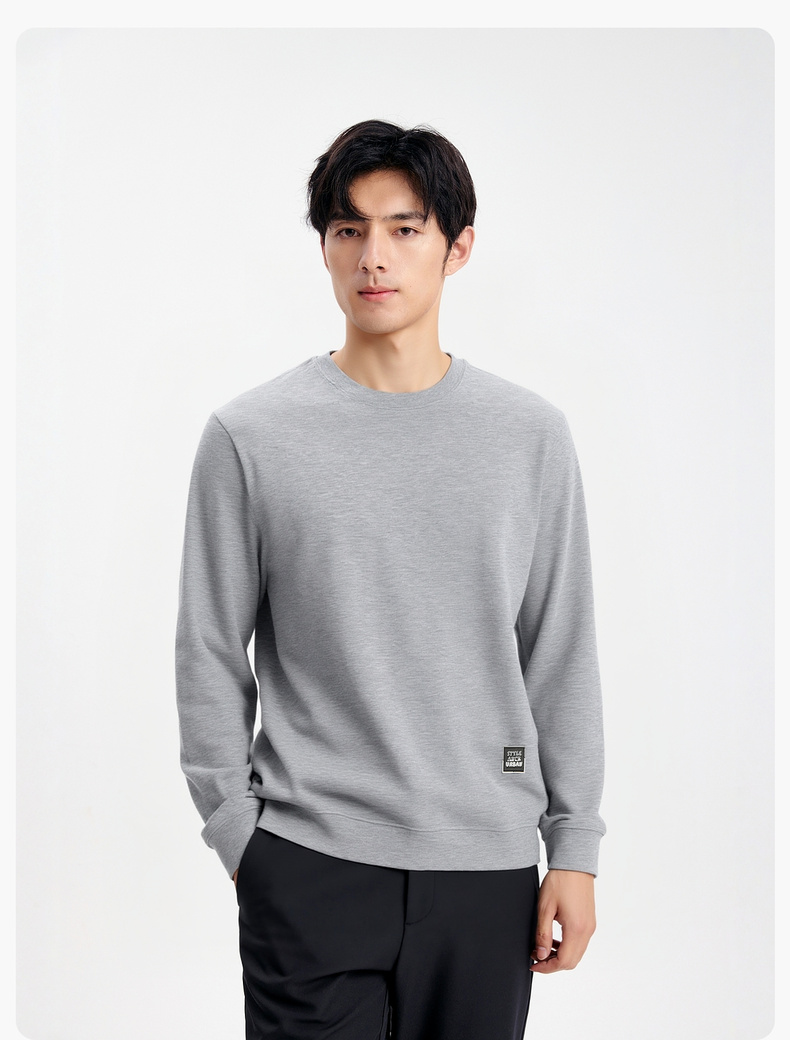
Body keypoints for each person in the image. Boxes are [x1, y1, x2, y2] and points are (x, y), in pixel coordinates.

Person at [175, 118, 606, 1040]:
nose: (374, 257)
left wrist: (574, 846)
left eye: (405, 229)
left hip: (486, 867)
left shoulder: (529, 436)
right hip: (309, 859)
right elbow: (208, 646)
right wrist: (240, 838)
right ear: (325, 247)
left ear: (458, 248)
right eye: (349, 229)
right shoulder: (251, 437)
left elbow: (559, 647)